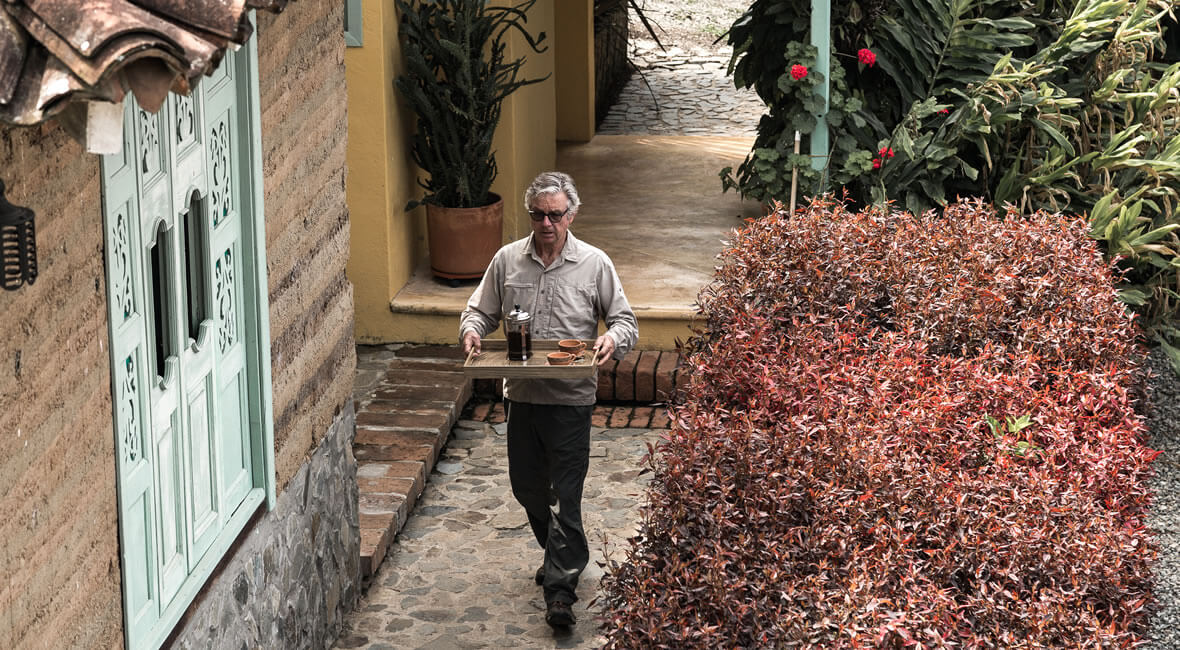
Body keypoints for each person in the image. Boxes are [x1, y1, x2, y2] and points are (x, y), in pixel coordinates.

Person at [460, 171, 638, 628]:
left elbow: (625, 321)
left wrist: (611, 341)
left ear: (571, 215)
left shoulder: (595, 264)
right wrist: (472, 332)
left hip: (571, 398)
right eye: (538, 214)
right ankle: (562, 553)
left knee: (565, 495)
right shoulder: (506, 261)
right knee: (527, 488)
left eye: (555, 215)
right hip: (522, 395)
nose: (545, 223)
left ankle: (560, 591)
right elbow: (480, 311)